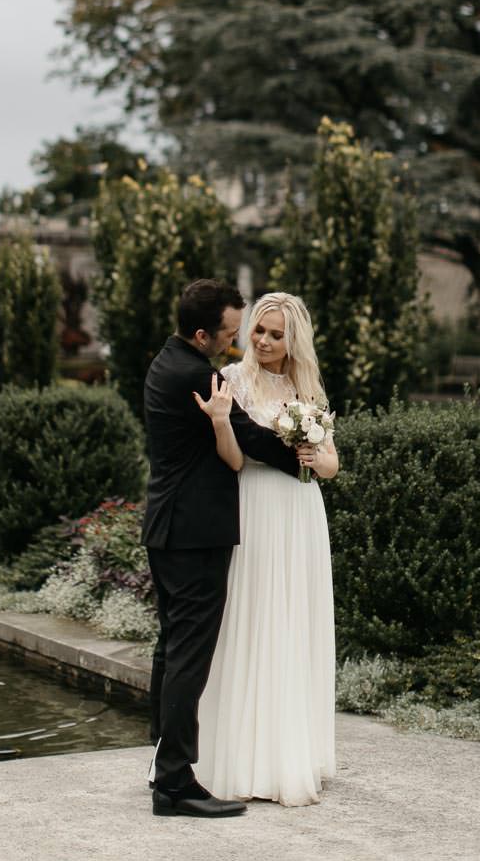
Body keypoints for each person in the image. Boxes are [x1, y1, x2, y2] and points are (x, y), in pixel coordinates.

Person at [140, 278, 305, 819]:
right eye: (231, 334)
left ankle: (161, 765)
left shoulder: (163, 362)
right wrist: (301, 455)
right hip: (195, 535)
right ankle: (175, 784)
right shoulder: (196, 374)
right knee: (190, 657)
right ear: (201, 332)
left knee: (170, 651)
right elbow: (248, 437)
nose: (236, 343)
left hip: (166, 529)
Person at [191, 290, 339, 806]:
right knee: (252, 618)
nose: (265, 340)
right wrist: (217, 422)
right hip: (254, 507)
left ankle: (290, 752)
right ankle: (239, 756)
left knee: (293, 622)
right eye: (259, 330)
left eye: (277, 334)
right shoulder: (231, 381)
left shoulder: (306, 386)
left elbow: (331, 464)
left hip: (301, 513)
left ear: (293, 339)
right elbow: (232, 460)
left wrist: (313, 457)